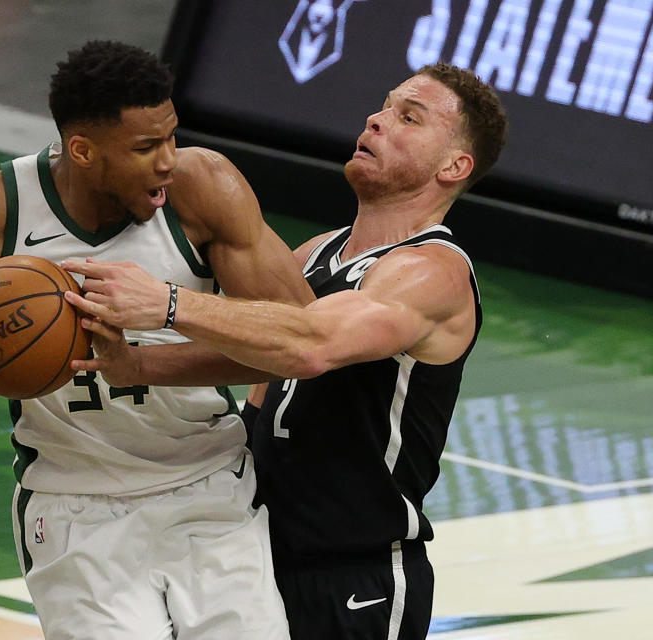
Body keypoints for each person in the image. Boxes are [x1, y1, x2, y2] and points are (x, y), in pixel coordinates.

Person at [0, 40, 315, 640]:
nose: (169, 160)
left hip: (210, 485)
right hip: (74, 503)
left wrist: (161, 328)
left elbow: (304, 339)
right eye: (146, 147)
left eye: (172, 136)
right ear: (83, 150)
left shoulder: (204, 188)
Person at [63, 62, 508, 639]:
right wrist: (137, 366)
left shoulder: (433, 272)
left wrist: (168, 305)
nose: (376, 120)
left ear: (454, 166)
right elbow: (263, 361)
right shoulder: (318, 253)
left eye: (408, 117)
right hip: (246, 555)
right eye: (384, 105)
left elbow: (313, 345)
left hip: (353, 579)